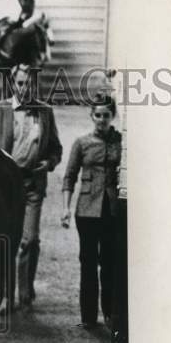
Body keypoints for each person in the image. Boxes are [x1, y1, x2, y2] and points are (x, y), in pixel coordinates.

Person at [0, 63, 62, 308]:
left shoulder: (44, 112)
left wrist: (49, 162)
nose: (25, 89)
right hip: (5, 187)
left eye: (30, 84)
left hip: (33, 182)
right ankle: (5, 295)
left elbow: (56, 148)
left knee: (30, 239)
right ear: (13, 84)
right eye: (21, 83)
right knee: (6, 239)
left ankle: (25, 290)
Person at [61, 96, 122, 328]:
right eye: (98, 115)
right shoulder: (81, 143)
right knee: (87, 262)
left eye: (106, 115)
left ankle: (109, 313)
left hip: (111, 212)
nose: (102, 120)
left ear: (112, 116)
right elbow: (70, 176)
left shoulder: (121, 142)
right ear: (91, 116)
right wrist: (66, 208)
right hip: (86, 211)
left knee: (109, 262)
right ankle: (88, 317)